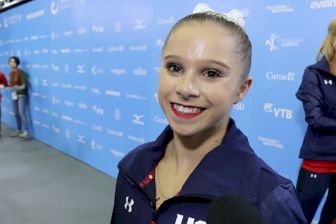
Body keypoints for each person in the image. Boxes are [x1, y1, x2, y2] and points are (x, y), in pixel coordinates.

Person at [111, 12, 306, 224]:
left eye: (211, 73)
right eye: (174, 68)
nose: (186, 88)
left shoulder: (269, 199)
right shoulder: (134, 165)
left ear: (242, 89)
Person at [295, 18, 336, 224]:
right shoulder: (314, 73)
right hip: (318, 163)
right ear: (333, 39)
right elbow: (316, 118)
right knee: (298, 218)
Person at [8, 56, 29, 139]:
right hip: (14, 95)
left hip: (21, 95)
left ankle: (25, 131)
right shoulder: (10, 73)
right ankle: (19, 130)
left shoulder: (21, 72)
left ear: (17, 63)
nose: (11, 63)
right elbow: (11, 85)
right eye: (10, 62)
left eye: (13, 62)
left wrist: (18, 87)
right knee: (16, 113)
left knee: (21, 113)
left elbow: (24, 85)